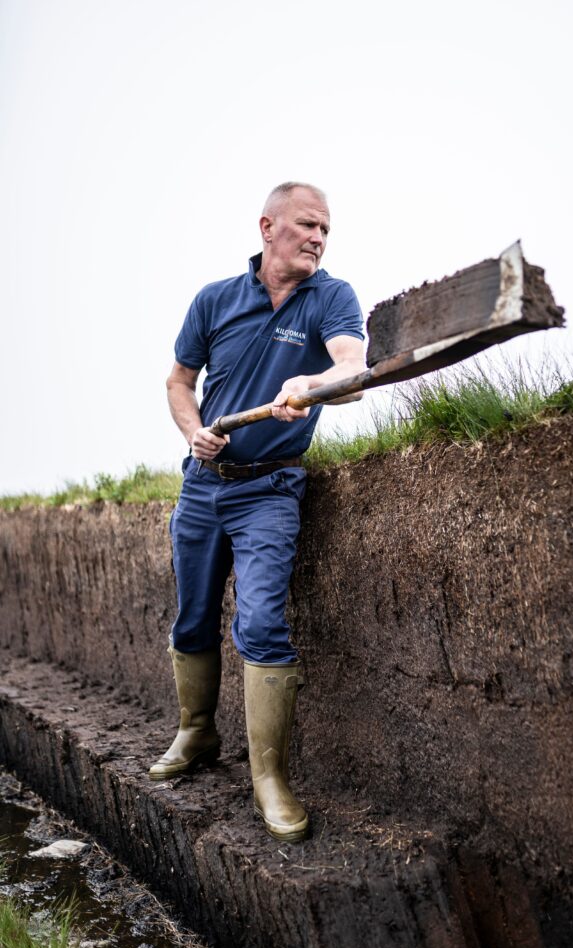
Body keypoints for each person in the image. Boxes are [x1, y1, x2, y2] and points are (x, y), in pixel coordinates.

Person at [149, 183, 365, 844]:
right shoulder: (215, 299)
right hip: (201, 485)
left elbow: (353, 369)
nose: (318, 239)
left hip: (270, 489)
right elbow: (179, 382)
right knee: (191, 616)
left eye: (325, 230)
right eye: (306, 225)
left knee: (263, 622)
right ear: (268, 225)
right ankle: (196, 733)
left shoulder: (331, 296)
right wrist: (193, 432)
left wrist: (313, 384)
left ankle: (268, 778)